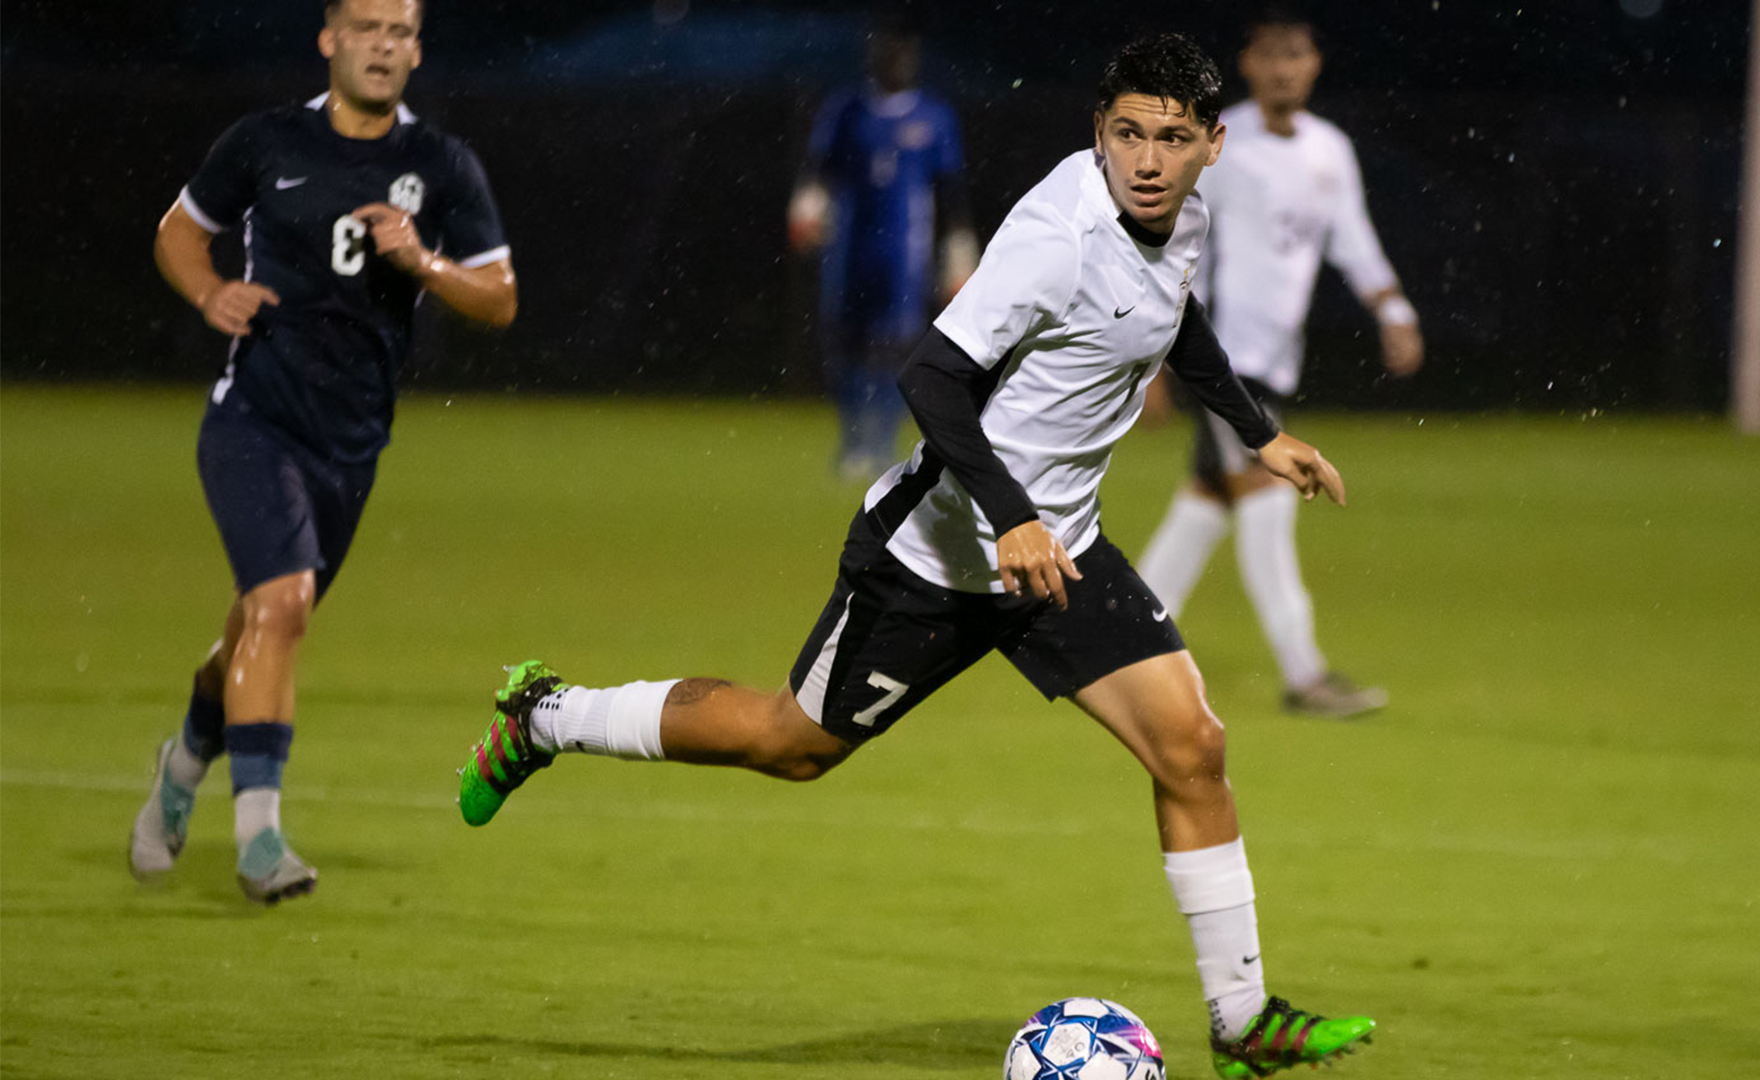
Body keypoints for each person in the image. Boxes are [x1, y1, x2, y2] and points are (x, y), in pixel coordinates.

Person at [460, 32, 1374, 1075]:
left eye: (1172, 139)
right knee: (789, 743)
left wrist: (1259, 432)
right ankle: (545, 718)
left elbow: (1173, 319)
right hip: (935, 561)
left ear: (1213, 145)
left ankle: (1243, 1022)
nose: (1149, 160)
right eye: (1128, 135)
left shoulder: (1183, 212)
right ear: (1099, 133)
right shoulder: (1058, 237)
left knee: (1194, 748)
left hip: (1058, 558)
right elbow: (931, 375)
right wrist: (1010, 516)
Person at [129, 0, 516, 904]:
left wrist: (424, 263)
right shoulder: (265, 142)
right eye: (367, 27)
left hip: (353, 447)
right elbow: (178, 234)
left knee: (258, 625)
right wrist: (209, 294)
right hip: (254, 423)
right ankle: (260, 838)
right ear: (329, 39)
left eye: (400, 32)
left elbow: (498, 297)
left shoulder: (439, 164)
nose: (383, 46)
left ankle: (186, 755)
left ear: (417, 50)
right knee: (285, 605)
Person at [1135, 4, 1424, 720]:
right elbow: (1174, 248)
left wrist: (1394, 309)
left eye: (1297, 55)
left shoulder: (1328, 149)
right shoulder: (1218, 144)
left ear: (1314, 65)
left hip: (1272, 360)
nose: (1285, 68)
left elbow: (1350, 238)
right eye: (1272, 55)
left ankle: (1120, 647)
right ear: (1250, 64)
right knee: (1268, 502)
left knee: (1205, 505)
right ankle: (1304, 674)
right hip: (1220, 360)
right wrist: (1153, 359)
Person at [788, 13, 978, 481]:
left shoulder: (933, 115)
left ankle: (882, 443)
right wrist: (806, 210)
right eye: (885, 49)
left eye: (902, 51)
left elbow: (951, 191)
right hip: (850, 249)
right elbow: (820, 168)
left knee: (895, 350)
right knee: (847, 345)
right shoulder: (847, 109)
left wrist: (958, 253)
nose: (893, 59)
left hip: (905, 255)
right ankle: (853, 440)